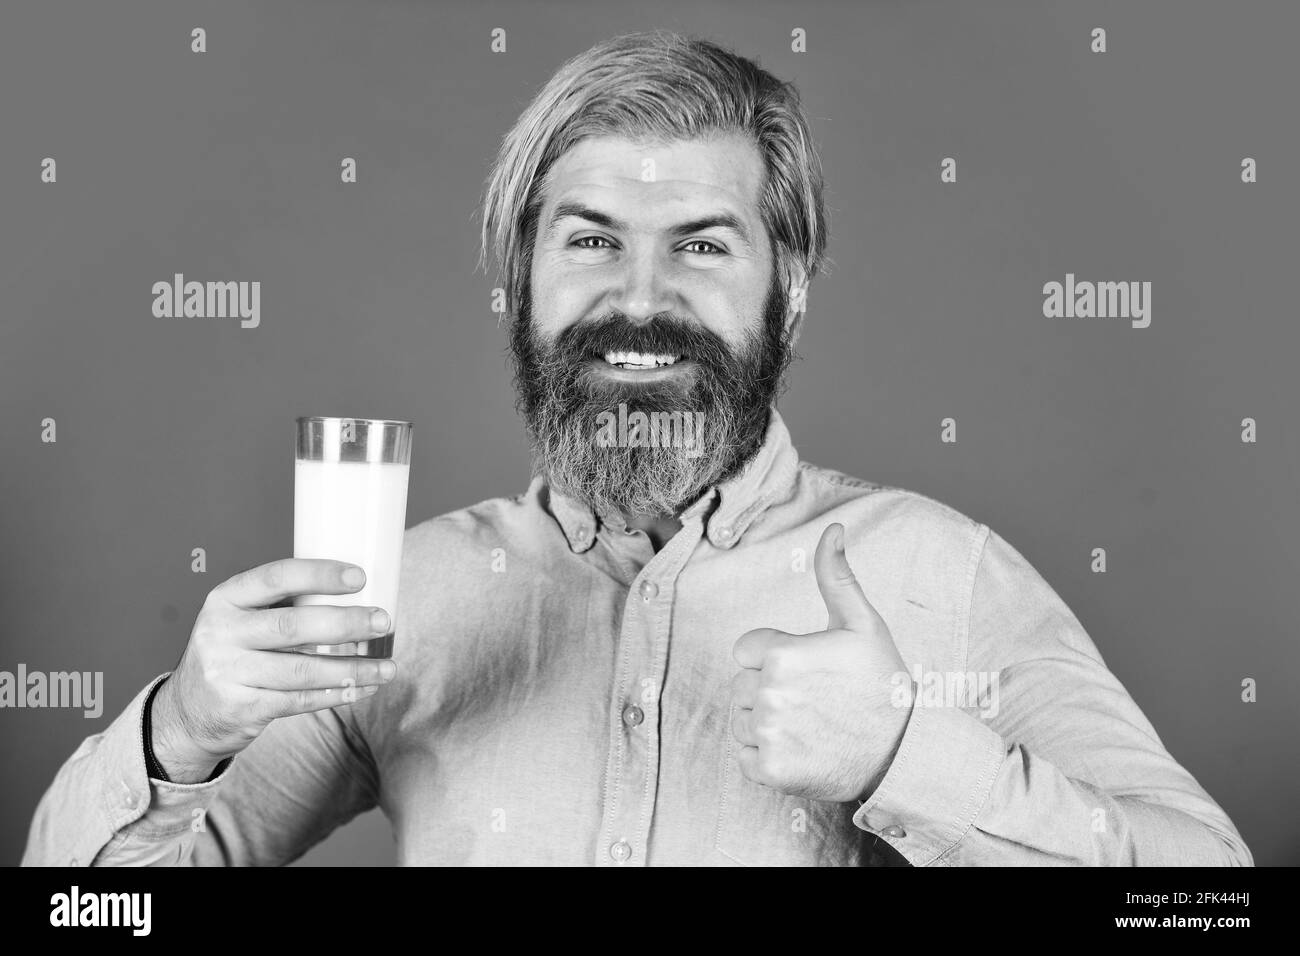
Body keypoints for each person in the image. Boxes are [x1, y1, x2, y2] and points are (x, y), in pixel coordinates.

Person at [23, 30, 1251, 867]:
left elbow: (1202, 895)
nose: (641, 300)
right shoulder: (399, 604)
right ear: (519, 280)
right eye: (592, 240)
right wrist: (177, 734)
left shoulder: (942, 573)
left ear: (792, 293)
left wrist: (905, 757)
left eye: (704, 244)